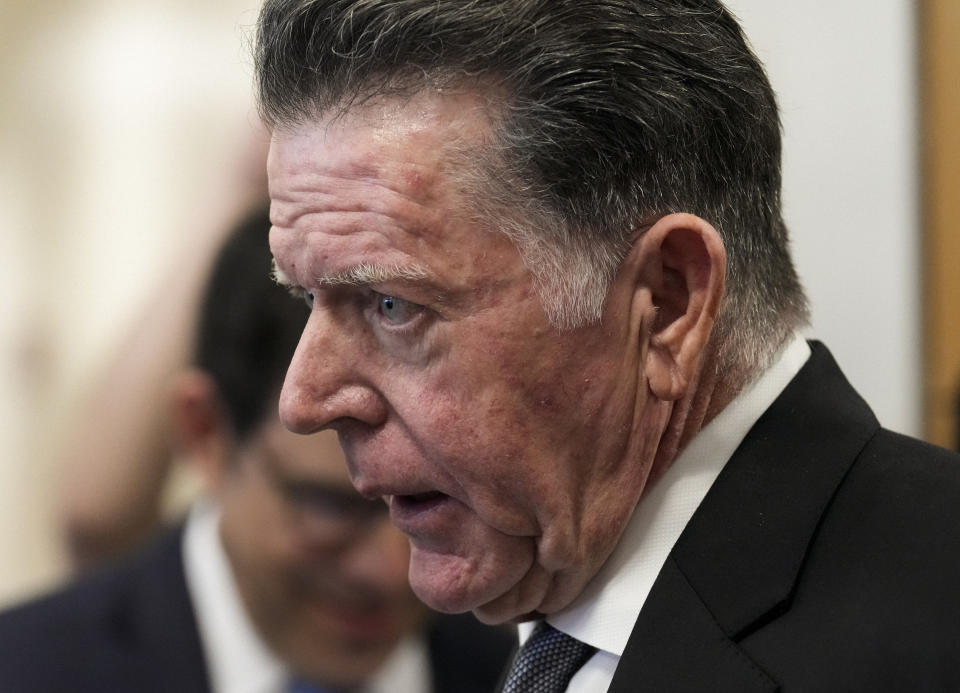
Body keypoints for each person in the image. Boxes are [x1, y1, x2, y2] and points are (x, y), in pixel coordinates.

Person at [254, 1, 960, 691]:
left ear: (667, 303)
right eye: (309, 298)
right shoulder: (522, 625)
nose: (304, 399)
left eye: (391, 305)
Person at [0, 207, 513, 692]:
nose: (389, 569)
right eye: (331, 507)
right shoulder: (25, 671)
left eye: (433, 500)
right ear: (206, 436)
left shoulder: (531, 672)